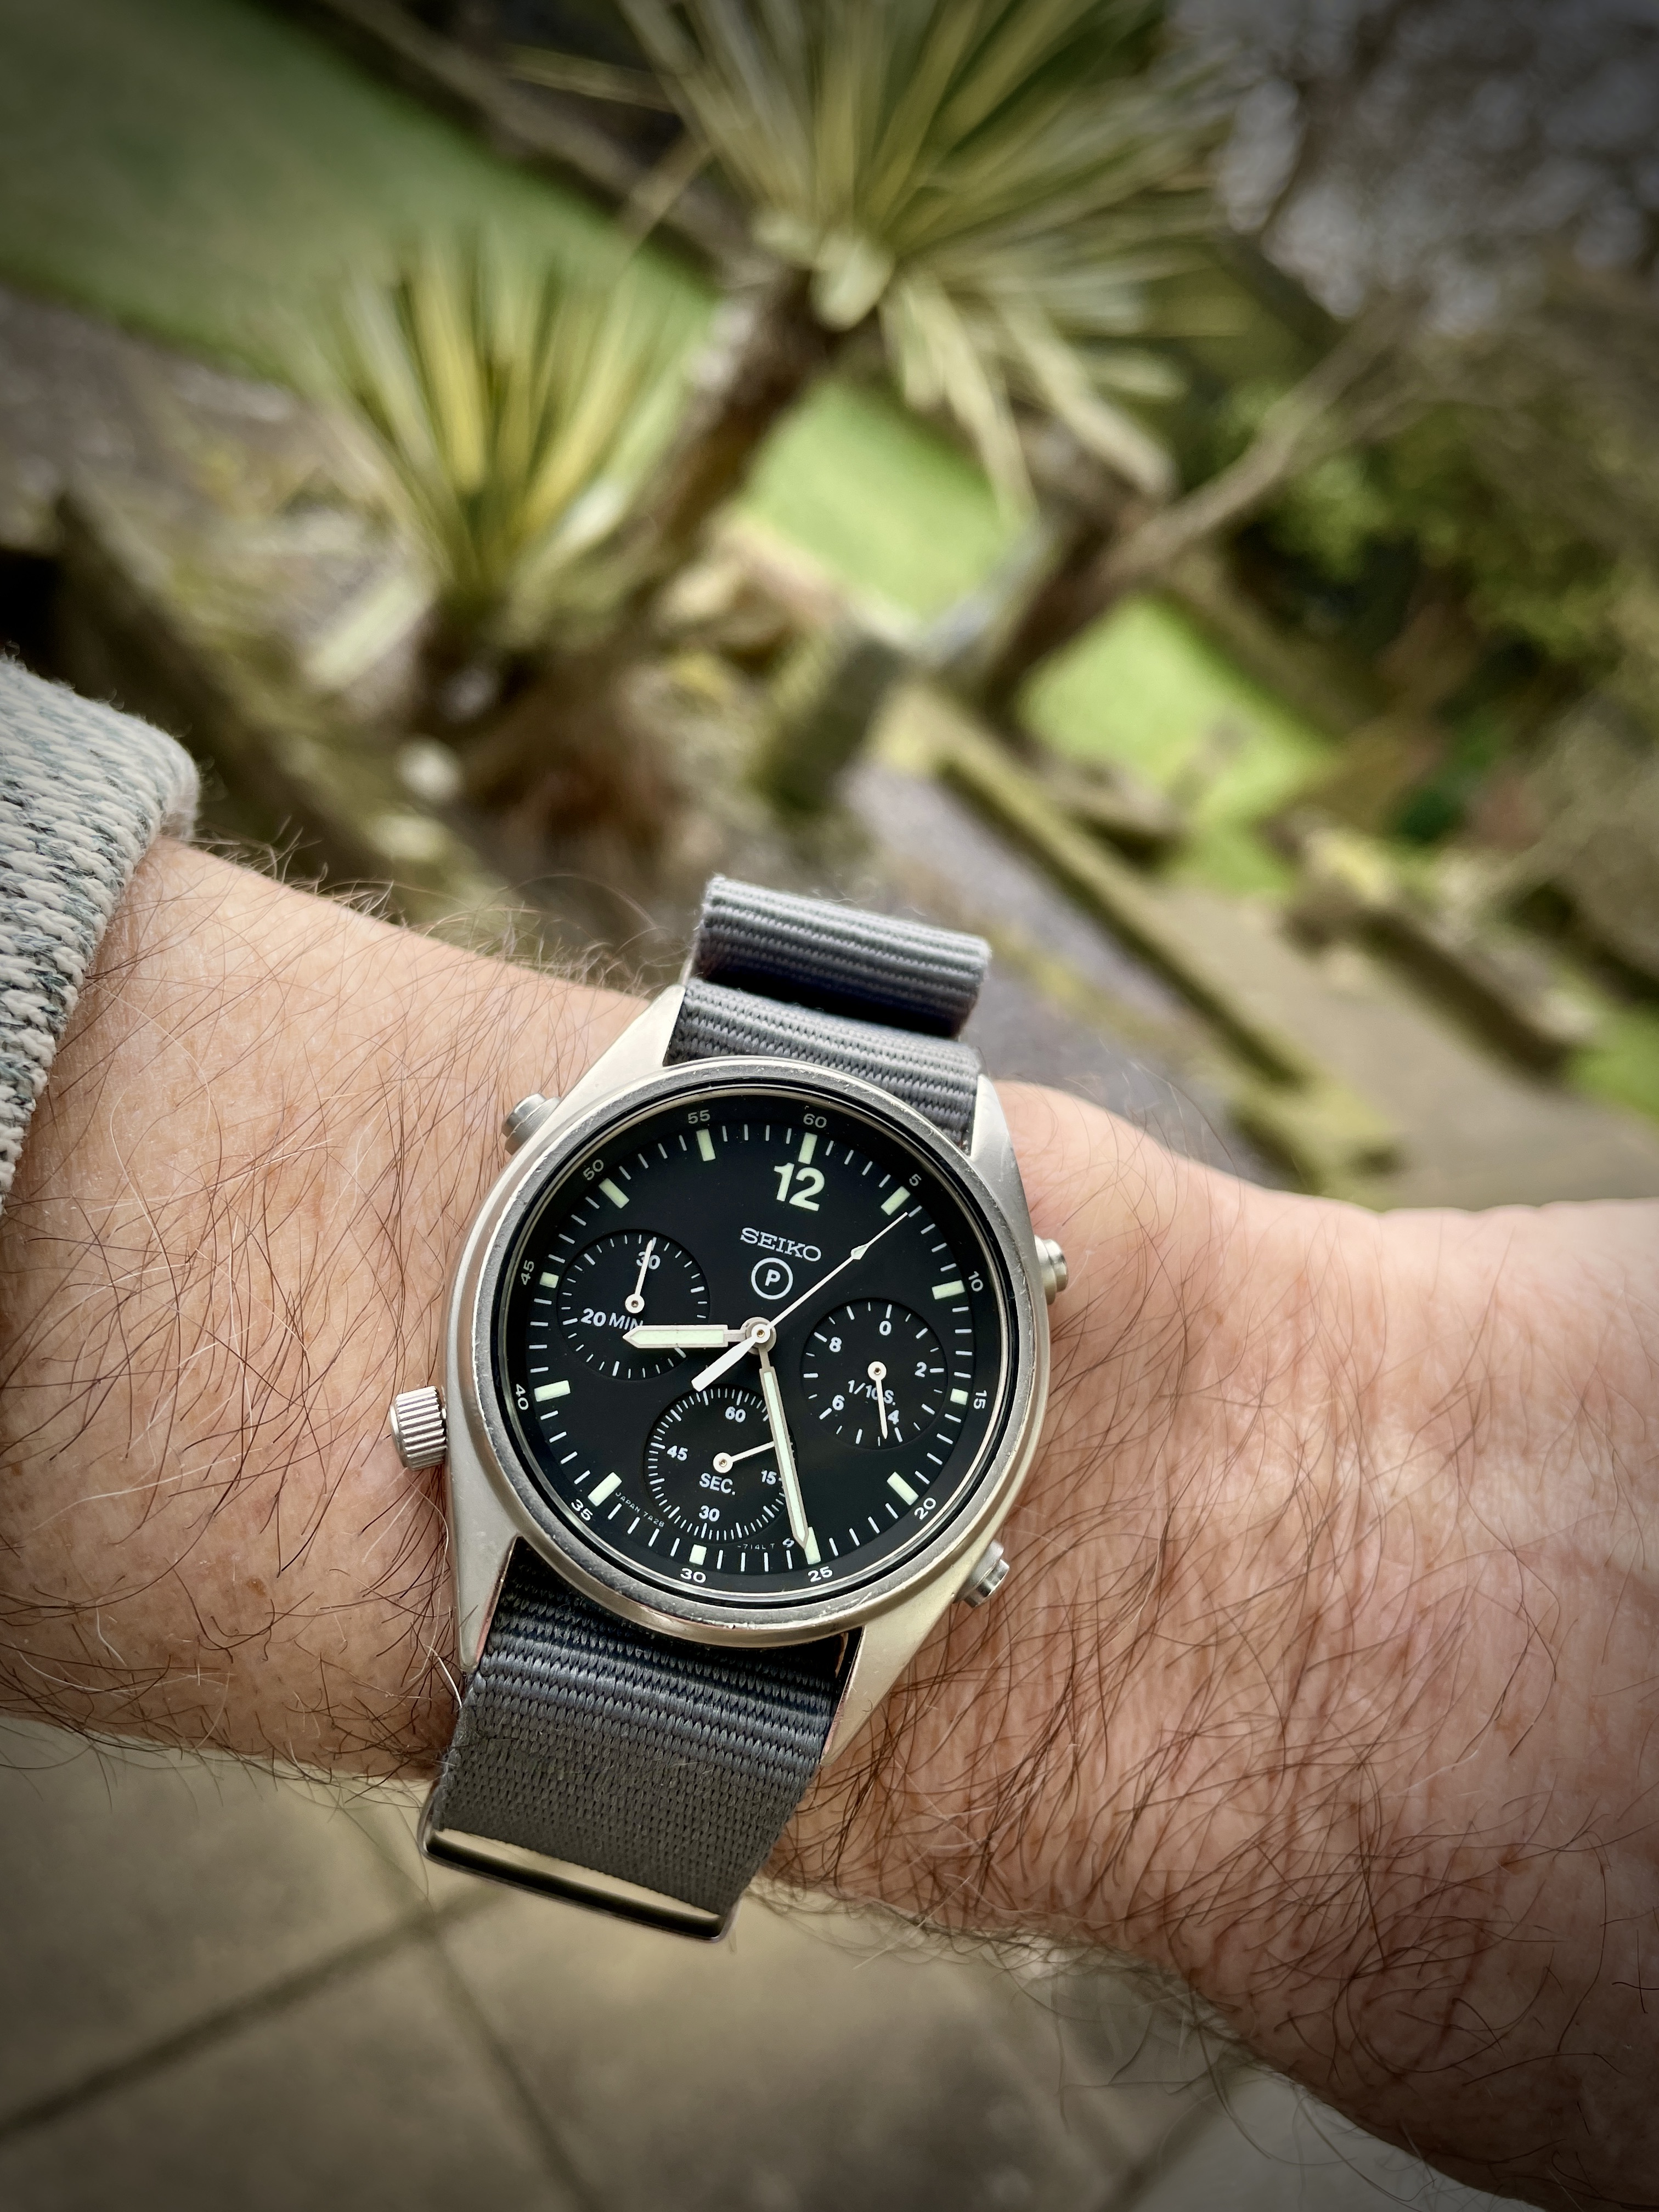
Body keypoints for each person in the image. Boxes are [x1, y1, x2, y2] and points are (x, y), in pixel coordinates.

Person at [2, 661, 1655, 2211]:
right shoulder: (558, 1290)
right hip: (605, 1490)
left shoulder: (954, 1411)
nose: (757, 1343)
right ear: (542, 1147)